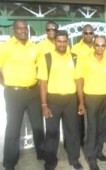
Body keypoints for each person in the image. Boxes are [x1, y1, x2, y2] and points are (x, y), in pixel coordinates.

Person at [0, 19, 44, 170]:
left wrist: (37, 82)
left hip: (33, 92)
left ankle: (41, 153)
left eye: (25, 28)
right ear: (14, 30)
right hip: (14, 93)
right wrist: (5, 83)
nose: (23, 30)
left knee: (38, 125)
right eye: (20, 28)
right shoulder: (5, 47)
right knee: (13, 127)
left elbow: (40, 66)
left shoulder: (34, 47)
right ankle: (9, 162)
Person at [38, 30, 83, 170]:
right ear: (55, 42)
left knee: (72, 131)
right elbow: (43, 83)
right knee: (52, 132)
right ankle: (50, 161)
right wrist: (44, 104)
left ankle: (74, 159)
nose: (62, 44)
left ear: (67, 41)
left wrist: (81, 102)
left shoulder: (74, 57)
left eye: (64, 41)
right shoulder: (46, 58)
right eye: (59, 41)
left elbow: (78, 81)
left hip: (70, 100)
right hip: (53, 100)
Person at [77, 36, 106, 170]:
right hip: (91, 98)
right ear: (93, 46)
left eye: (103, 45)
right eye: (97, 45)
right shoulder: (85, 61)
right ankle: (91, 159)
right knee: (92, 129)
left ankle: (99, 152)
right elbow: (79, 82)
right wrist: (81, 101)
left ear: (105, 47)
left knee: (102, 128)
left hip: (105, 96)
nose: (100, 47)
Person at [71, 24, 95, 146]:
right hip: (80, 85)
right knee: (80, 113)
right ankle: (80, 139)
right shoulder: (75, 48)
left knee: (93, 114)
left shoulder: (99, 47)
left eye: (90, 33)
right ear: (82, 34)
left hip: (94, 86)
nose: (88, 35)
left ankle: (93, 139)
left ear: (93, 34)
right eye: (86, 33)